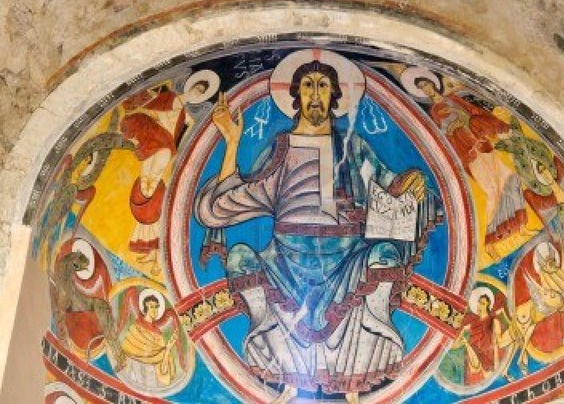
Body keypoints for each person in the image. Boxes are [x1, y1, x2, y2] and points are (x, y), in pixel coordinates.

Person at [196, 58, 436, 403]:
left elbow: (390, 186)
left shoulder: (352, 147)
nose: (315, 94)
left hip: (347, 258)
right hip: (285, 260)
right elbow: (227, 205)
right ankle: (286, 374)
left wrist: (413, 184)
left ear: (334, 95)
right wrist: (232, 143)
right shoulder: (280, 149)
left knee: (385, 255)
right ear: (296, 95)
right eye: (308, 86)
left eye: (323, 86)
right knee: (240, 258)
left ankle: (353, 381)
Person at [415, 76, 527, 258]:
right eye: (421, 88)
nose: (425, 89)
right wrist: (451, 127)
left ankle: (519, 224)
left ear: (433, 83)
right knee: (492, 191)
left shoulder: (452, 98)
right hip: (466, 151)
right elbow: (441, 137)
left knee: (511, 178)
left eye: (426, 84)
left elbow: (474, 112)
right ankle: (490, 243)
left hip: (480, 143)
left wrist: (493, 126)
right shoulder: (433, 112)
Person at [121, 82, 205, 273]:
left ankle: (159, 259)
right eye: (196, 89)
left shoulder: (175, 106)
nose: (196, 94)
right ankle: (152, 253)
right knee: (147, 200)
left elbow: (188, 126)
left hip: (164, 152)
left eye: (199, 92)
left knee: (152, 202)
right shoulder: (166, 101)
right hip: (157, 149)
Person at [119, 294, 179, 388]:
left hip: (152, 380)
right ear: (145, 308)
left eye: (156, 307)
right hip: (134, 373)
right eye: (151, 307)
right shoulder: (136, 328)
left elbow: (163, 370)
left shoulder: (158, 335)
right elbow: (126, 353)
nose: (155, 310)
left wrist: (168, 349)